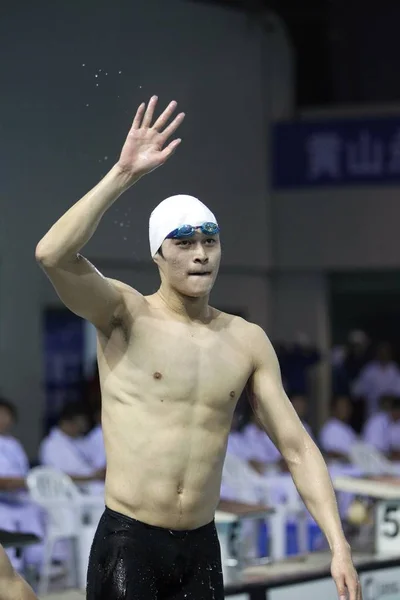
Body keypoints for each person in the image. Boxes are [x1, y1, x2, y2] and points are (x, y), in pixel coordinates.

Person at [35, 97, 361, 600]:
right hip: (129, 542)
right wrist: (123, 174)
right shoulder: (125, 314)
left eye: (210, 240)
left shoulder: (245, 339)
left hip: (202, 548)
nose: (201, 253)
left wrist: (338, 544)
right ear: (158, 253)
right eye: (184, 242)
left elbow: (297, 449)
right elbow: (52, 254)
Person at [39, 402, 105, 490]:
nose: (82, 427)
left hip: (90, 487)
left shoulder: (81, 441)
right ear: (66, 422)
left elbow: (93, 465)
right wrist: (93, 477)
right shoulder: (51, 445)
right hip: (67, 492)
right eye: (80, 423)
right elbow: (57, 477)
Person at [320, 396, 358, 463]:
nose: (345, 409)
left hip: (352, 467)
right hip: (337, 470)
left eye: (347, 406)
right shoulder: (330, 428)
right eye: (342, 406)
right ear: (334, 409)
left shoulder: (348, 428)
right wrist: (348, 457)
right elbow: (330, 452)